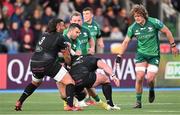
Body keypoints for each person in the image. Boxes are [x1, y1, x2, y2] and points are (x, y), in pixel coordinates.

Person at [115, 4, 179, 108]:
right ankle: (138, 102)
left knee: (149, 79)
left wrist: (173, 45)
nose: (137, 18)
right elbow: (126, 42)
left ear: (144, 15)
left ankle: (151, 89)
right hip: (141, 55)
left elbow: (167, 31)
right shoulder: (132, 28)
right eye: (135, 16)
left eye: (139, 16)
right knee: (139, 77)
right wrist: (119, 55)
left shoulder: (154, 22)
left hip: (154, 55)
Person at [15, 19, 82, 111]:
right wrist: (69, 63)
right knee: (70, 82)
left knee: (35, 83)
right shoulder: (60, 37)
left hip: (34, 62)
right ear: (57, 26)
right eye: (62, 25)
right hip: (48, 63)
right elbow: (66, 57)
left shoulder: (44, 34)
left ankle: (20, 101)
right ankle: (70, 106)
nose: (64, 27)